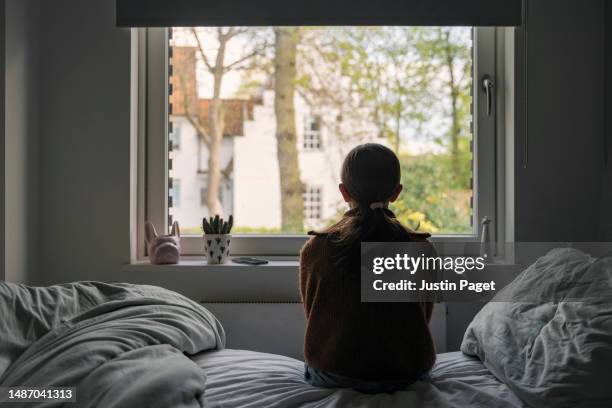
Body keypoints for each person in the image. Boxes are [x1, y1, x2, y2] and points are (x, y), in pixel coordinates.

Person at [299, 143, 436, 394]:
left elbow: (315, 317)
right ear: (396, 193)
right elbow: (422, 317)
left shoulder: (316, 249)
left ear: (343, 192)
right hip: (406, 374)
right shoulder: (421, 249)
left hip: (334, 373)